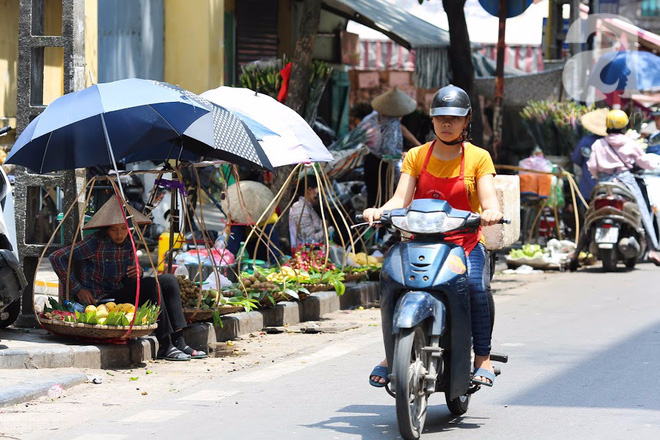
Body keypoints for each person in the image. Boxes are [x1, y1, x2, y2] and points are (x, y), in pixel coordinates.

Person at [362, 85, 503, 388]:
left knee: (477, 289)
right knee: (392, 283)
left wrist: (490, 212)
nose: (447, 124)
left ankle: (482, 358)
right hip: (419, 241)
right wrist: (378, 211)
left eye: (454, 118)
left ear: (467, 120)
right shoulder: (416, 155)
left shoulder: (479, 157)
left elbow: (489, 200)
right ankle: (392, 353)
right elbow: (399, 200)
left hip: (464, 244)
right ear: (432, 119)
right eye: (441, 118)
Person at [50, 197, 207, 361]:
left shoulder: (128, 244)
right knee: (152, 285)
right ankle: (165, 345)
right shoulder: (94, 243)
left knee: (169, 280)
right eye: (114, 230)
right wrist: (78, 289)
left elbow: (128, 280)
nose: (119, 234)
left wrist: (137, 272)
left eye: (124, 229)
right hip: (102, 301)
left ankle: (179, 341)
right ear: (106, 229)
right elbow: (56, 257)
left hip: (121, 295)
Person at [587, 109, 660, 265]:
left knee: (591, 212)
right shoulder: (628, 142)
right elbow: (643, 162)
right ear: (624, 125)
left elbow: (592, 166)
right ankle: (653, 249)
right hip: (625, 181)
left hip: (603, 182)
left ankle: (578, 250)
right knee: (643, 211)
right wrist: (653, 164)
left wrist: (597, 176)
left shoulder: (598, 143)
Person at [359, 87, 422, 208]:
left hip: (370, 160)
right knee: (384, 200)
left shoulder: (374, 116)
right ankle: (381, 226)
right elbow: (389, 150)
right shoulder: (391, 123)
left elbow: (402, 130)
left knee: (373, 199)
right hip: (382, 165)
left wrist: (417, 144)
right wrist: (403, 155)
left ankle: (373, 225)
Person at [288, 174, 334, 250]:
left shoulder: (309, 207)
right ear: (309, 190)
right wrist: (327, 230)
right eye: (318, 192)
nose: (319, 195)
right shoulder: (300, 209)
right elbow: (310, 241)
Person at [572, 108, 607, 205]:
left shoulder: (586, 141)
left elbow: (576, 158)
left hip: (588, 185)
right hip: (608, 187)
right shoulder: (613, 141)